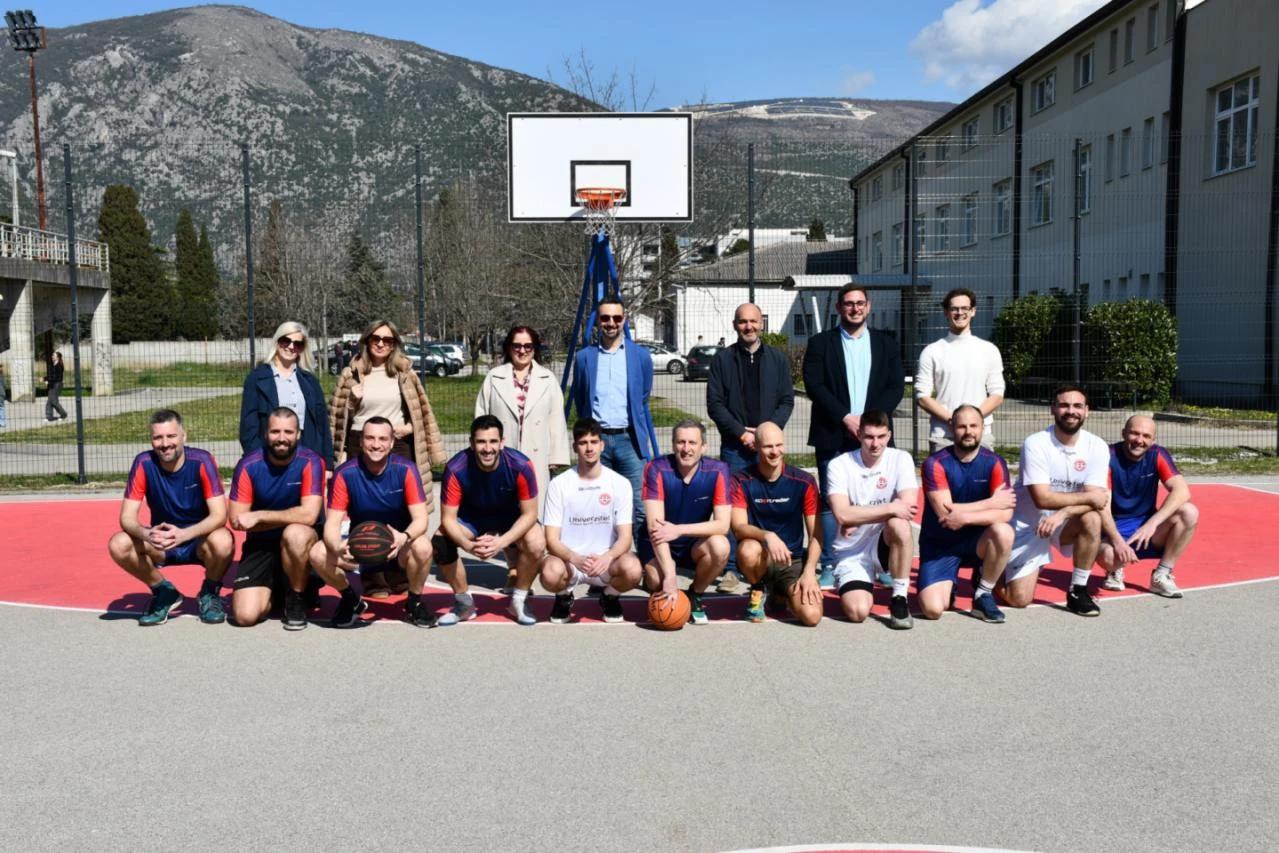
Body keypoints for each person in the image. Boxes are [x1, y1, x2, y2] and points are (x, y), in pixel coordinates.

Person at [330, 319, 446, 597]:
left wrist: (408, 429)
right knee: (364, 511)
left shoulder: (405, 373)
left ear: (395, 344)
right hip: (361, 442)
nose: (381, 344)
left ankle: (398, 572)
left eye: (388, 340)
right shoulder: (351, 374)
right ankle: (372, 576)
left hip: (398, 444)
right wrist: (351, 404)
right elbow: (336, 417)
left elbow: (421, 412)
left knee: (403, 510)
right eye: (376, 339)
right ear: (366, 341)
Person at [801, 284, 904, 584]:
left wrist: (870, 425)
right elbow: (814, 385)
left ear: (868, 307)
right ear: (839, 308)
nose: (855, 308)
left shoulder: (886, 344)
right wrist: (846, 418)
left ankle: (880, 563)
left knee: (880, 499)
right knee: (834, 502)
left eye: (860, 303)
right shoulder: (821, 343)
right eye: (849, 303)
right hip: (833, 433)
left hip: (875, 437)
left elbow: (895, 386)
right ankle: (832, 564)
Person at [106, 409, 234, 626]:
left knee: (223, 540)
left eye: (171, 436)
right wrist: (147, 534)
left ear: (184, 436)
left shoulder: (202, 460)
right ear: (151, 440)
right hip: (162, 543)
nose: (165, 443)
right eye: (158, 437)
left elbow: (220, 515)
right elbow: (127, 518)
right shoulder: (143, 463)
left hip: (198, 540)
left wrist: (184, 535)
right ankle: (163, 591)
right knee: (118, 544)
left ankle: (210, 592)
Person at [308, 417, 435, 628]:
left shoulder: (406, 469)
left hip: (398, 546)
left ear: (392, 442)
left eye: (383, 439)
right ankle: (351, 600)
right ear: (361, 441)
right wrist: (337, 547)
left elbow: (421, 518)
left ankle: (414, 603)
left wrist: (403, 537)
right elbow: (332, 523)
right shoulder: (345, 473)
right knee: (318, 553)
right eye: (370, 438)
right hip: (363, 546)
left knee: (423, 546)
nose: (376, 444)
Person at [1005, 385, 1114, 616]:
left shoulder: (1097, 446)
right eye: (1064, 405)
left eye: (1077, 406)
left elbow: (1097, 502)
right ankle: (989, 574)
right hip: (1029, 526)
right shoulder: (1036, 443)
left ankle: (1078, 591)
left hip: (1062, 522)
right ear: (1053, 409)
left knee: (1093, 519)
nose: (1070, 411)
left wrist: (1063, 513)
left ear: (1087, 411)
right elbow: (1042, 498)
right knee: (1019, 600)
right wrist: (1089, 498)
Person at [432, 415, 546, 626]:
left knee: (537, 542)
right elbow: (447, 519)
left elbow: (530, 514)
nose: (487, 448)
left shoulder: (520, 465)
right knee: (440, 541)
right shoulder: (456, 468)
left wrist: (502, 542)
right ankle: (464, 603)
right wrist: (468, 545)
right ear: (471, 443)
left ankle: (518, 601)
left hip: (510, 518)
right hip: (472, 519)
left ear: (502, 442)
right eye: (481, 441)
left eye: (493, 441)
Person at [227, 407, 325, 630]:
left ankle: (297, 597)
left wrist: (260, 516)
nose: (282, 438)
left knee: (295, 533)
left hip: (300, 542)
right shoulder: (248, 465)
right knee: (245, 616)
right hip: (261, 544)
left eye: (288, 432)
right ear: (265, 433)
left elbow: (309, 515)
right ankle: (282, 586)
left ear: (298, 434)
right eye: (275, 432)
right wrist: (289, 516)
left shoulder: (311, 461)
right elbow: (236, 520)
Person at [568, 298, 659, 536]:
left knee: (639, 507)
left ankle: (642, 564)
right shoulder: (584, 358)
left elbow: (643, 396)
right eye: (605, 318)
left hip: (629, 440)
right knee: (598, 505)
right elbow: (580, 397)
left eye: (617, 318)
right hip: (597, 442)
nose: (611, 323)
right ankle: (603, 565)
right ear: (598, 320)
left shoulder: (640, 356)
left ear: (624, 320)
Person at [917, 405, 1015, 623]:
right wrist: (991, 503)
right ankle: (950, 585)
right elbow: (946, 516)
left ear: (982, 428)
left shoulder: (995, 462)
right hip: (941, 546)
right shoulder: (935, 463)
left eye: (974, 426)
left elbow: (1006, 513)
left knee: (1004, 532)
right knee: (933, 610)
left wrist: (964, 515)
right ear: (952, 428)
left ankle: (983, 593)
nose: (968, 431)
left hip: (977, 542)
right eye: (962, 426)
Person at [540, 418, 643, 624]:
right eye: (583, 442)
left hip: (606, 563)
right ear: (574, 447)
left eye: (594, 442)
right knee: (549, 573)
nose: (589, 448)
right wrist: (575, 558)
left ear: (602, 445)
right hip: (571, 562)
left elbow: (625, 537)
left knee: (633, 570)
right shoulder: (559, 484)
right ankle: (563, 597)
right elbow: (551, 539)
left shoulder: (620, 483)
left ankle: (610, 596)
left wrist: (608, 556)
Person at [824, 409, 918, 629]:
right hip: (851, 551)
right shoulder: (839, 465)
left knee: (899, 524)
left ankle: (899, 598)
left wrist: (859, 516)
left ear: (889, 436)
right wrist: (890, 507)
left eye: (881, 437)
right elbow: (842, 514)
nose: (875, 443)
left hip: (882, 542)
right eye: (869, 437)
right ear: (858, 435)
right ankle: (859, 582)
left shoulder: (901, 458)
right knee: (857, 612)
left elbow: (908, 508)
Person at [730, 421, 823, 627]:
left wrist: (809, 573)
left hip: (792, 561)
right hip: (761, 557)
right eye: (768, 446)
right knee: (747, 548)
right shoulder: (741, 480)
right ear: (756, 447)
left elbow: (816, 534)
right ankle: (757, 589)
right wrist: (768, 536)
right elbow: (738, 528)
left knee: (812, 616)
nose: (775, 452)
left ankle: (780, 594)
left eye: (779, 445)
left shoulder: (804, 481)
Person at [640, 420, 732, 625]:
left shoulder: (718, 470)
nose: (686, 448)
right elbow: (656, 528)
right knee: (657, 578)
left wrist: (679, 530)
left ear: (704, 447)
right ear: (673, 445)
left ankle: (695, 595)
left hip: (691, 542)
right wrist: (670, 575)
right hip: (658, 543)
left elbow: (723, 525)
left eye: (692, 442)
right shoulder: (656, 468)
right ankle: (660, 592)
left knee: (720, 546)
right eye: (681, 442)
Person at [1097, 415, 1199, 598]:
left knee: (1189, 512)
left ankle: (1162, 574)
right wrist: (1118, 542)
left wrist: (1152, 523)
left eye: (1146, 436)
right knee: (1109, 557)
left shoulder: (1157, 454)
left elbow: (1182, 491)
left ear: (1153, 440)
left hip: (1147, 529)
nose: (1139, 440)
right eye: (1134, 434)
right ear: (1123, 434)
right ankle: (1115, 570)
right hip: (1115, 529)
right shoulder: (1107, 456)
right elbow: (1102, 505)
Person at [474, 325, 570, 513]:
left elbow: (557, 419)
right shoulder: (494, 377)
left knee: (534, 509)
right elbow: (481, 416)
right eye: (517, 345)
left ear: (535, 348)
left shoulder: (548, 379)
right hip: (502, 455)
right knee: (502, 509)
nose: (522, 350)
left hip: (536, 455)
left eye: (528, 346)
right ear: (509, 348)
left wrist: (556, 456)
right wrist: (481, 448)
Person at [914, 288, 1006, 453]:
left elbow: (997, 393)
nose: (959, 313)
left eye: (965, 308)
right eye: (954, 308)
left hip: (981, 435)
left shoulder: (989, 349)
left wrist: (973, 419)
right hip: (943, 435)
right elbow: (922, 396)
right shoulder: (932, 351)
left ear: (973, 311)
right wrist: (953, 420)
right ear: (946, 312)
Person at [239, 320, 333, 467]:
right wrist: (257, 461)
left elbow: (322, 426)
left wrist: (327, 463)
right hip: (270, 455)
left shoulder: (310, 382)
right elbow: (248, 427)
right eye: (286, 341)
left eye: (298, 344)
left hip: (308, 455)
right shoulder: (256, 379)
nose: (291, 347)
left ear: (303, 348)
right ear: (277, 342)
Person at [44, 351, 67, 422]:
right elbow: (51, 376)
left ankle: (63, 414)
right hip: (52, 384)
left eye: (53, 355)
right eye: (52, 355)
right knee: (49, 401)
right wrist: (44, 378)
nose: (52, 357)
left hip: (57, 385)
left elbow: (57, 378)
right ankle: (49, 417)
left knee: (54, 401)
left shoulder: (59, 366)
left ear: (58, 357)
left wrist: (48, 381)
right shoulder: (52, 365)